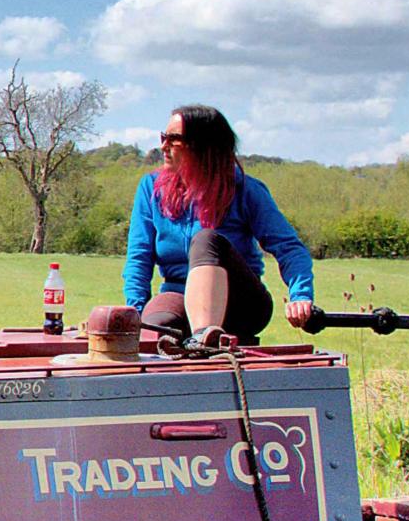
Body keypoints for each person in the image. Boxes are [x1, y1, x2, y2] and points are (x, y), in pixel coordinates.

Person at [124, 104, 318, 348]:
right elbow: (138, 257)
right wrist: (136, 313)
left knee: (206, 240)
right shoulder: (151, 188)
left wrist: (300, 295)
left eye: (173, 139)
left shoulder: (246, 190)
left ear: (202, 145)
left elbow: (289, 247)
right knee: (155, 326)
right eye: (163, 137)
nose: (163, 146)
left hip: (242, 303)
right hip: (178, 295)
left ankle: (203, 340)